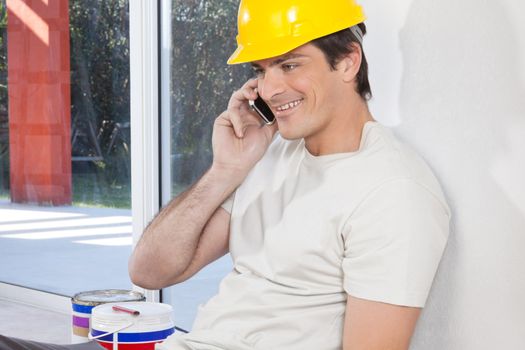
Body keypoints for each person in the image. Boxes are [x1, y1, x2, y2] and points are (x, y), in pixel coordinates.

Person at [0, 0, 450, 350]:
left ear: (348, 61)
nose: (271, 89)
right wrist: (226, 170)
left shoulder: (393, 193)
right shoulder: (274, 155)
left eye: (290, 64)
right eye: (262, 69)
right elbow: (149, 271)